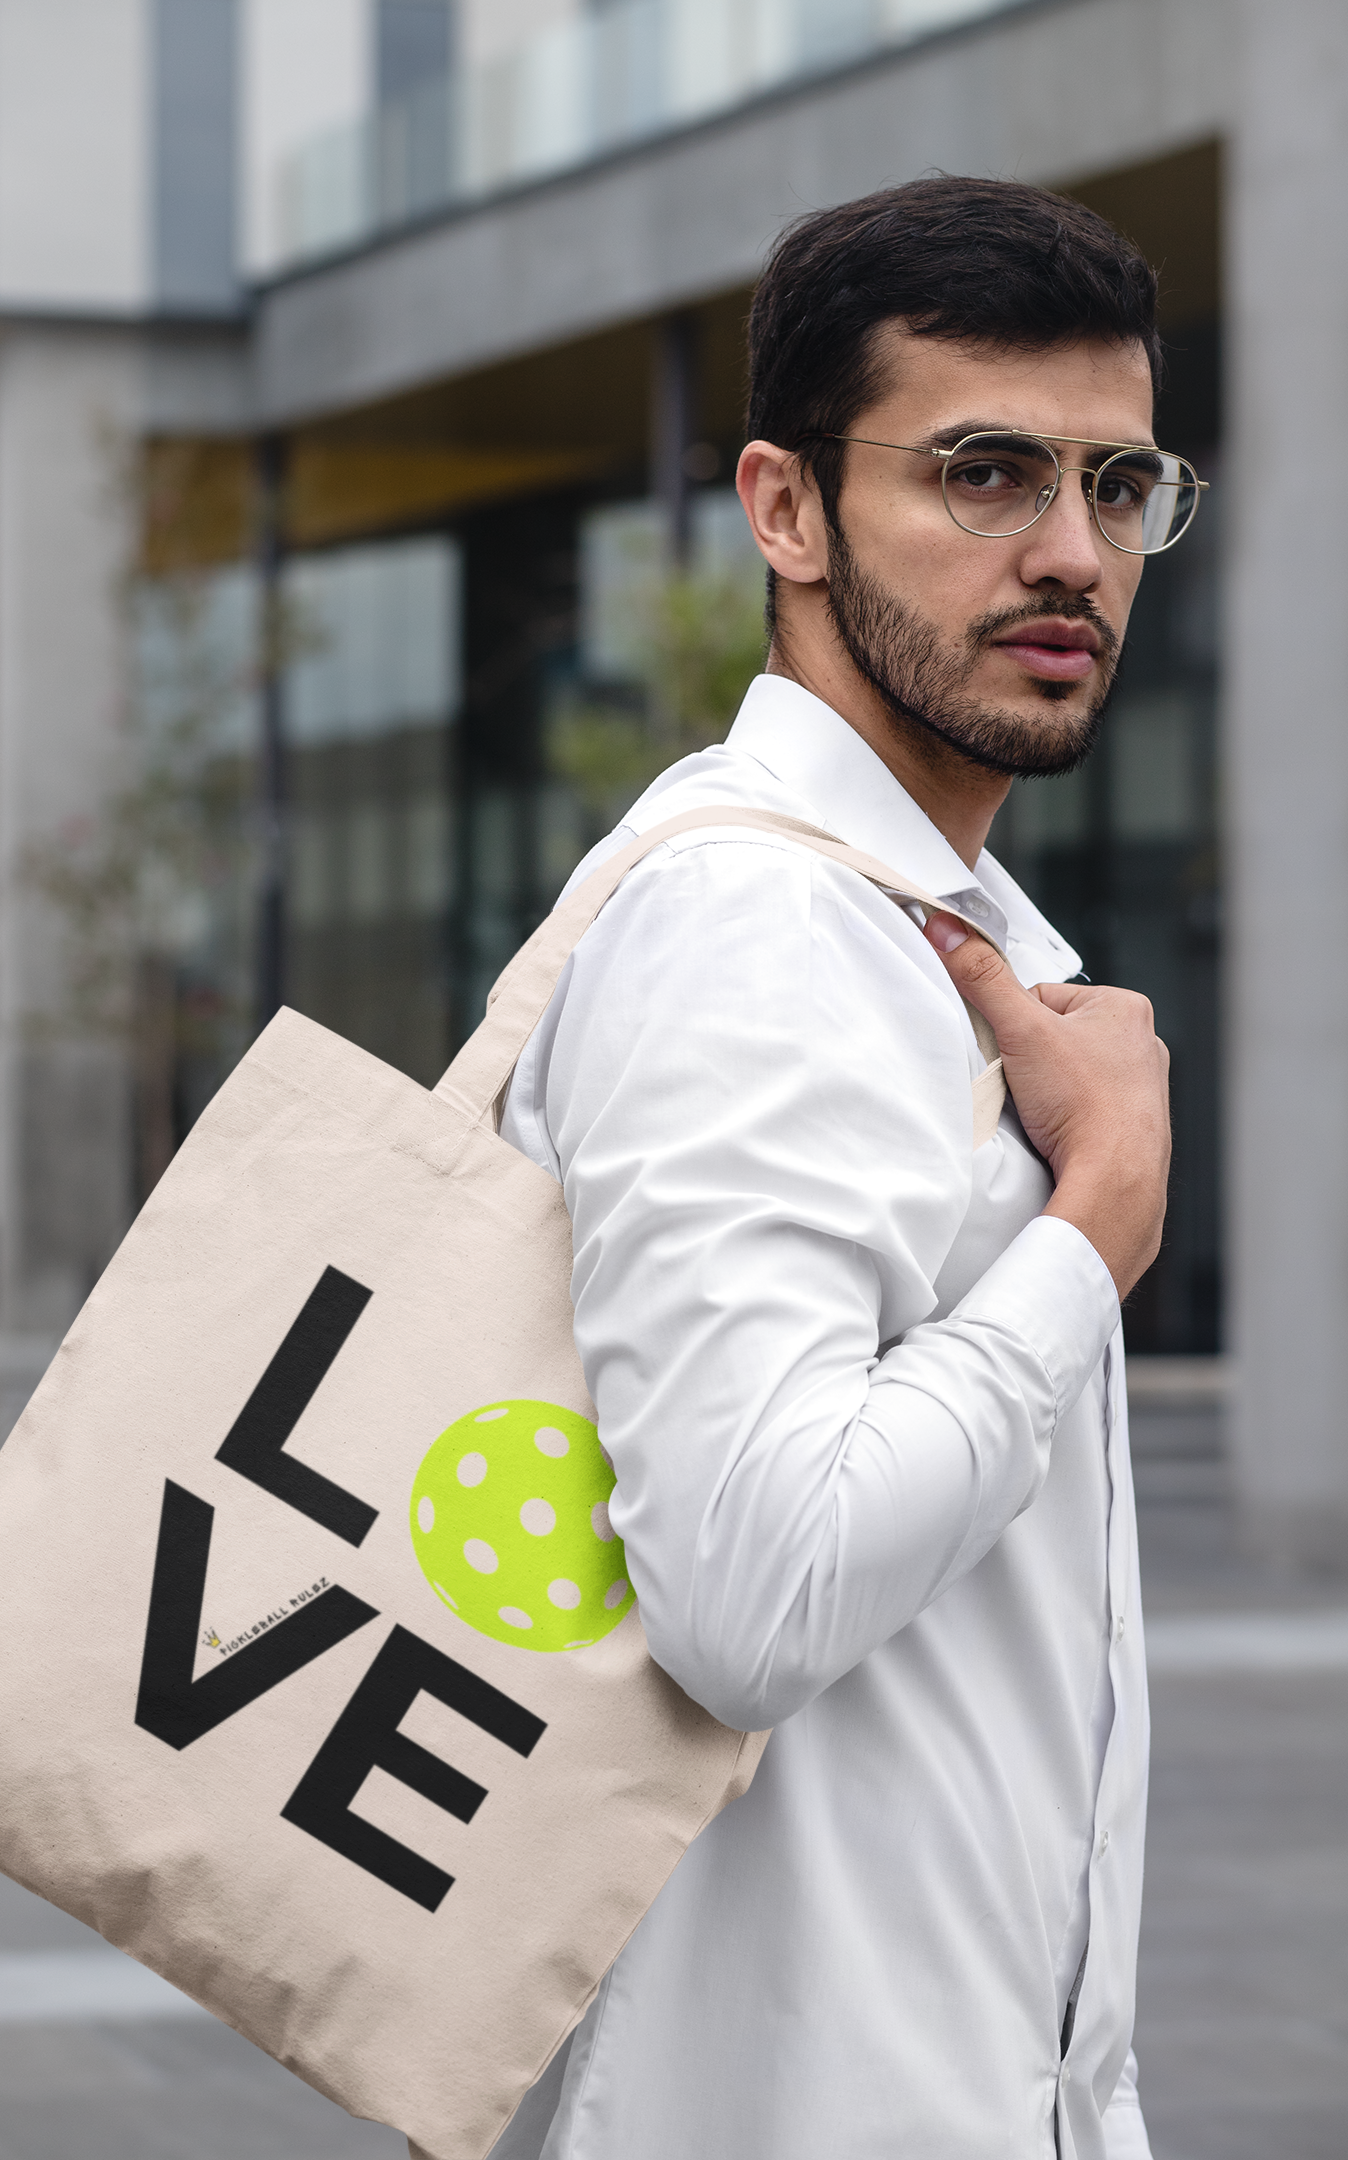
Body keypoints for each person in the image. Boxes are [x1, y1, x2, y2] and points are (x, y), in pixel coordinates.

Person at [495, 177, 1174, 2160]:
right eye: (985, 474)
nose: (1072, 553)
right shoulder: (756, 929)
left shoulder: (931, 925)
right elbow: (756, 1588)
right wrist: (1093, 1227)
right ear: (783, 508)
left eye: (1120, 485)